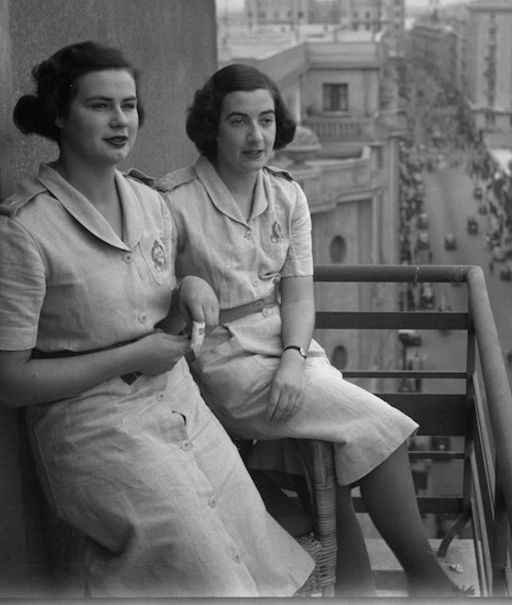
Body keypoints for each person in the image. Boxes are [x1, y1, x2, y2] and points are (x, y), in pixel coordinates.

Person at [0, 43, 314, 597]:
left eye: (129, 106)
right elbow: (6, 383)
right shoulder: (22, 231)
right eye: (100, 106)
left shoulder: (150, 202)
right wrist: (134, 356)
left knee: (259, 558)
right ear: (60, 115)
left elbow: (160, 302)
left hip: (177, 404)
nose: (120, 121)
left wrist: (188, 287)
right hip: (92, 429)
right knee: (213, 577)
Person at [158, 63, 471, 597]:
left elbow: (299, 293)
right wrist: (186, 283)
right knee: (382, 429)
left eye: (266, 120)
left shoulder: (286, 195)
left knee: (334, 453)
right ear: (212, 125)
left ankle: (359, 592)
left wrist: (294, 358)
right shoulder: (173, 200)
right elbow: (155, 298)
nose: (256, 136)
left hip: (290, 345)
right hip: (222, 358)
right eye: (238, 120)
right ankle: (427, 581)